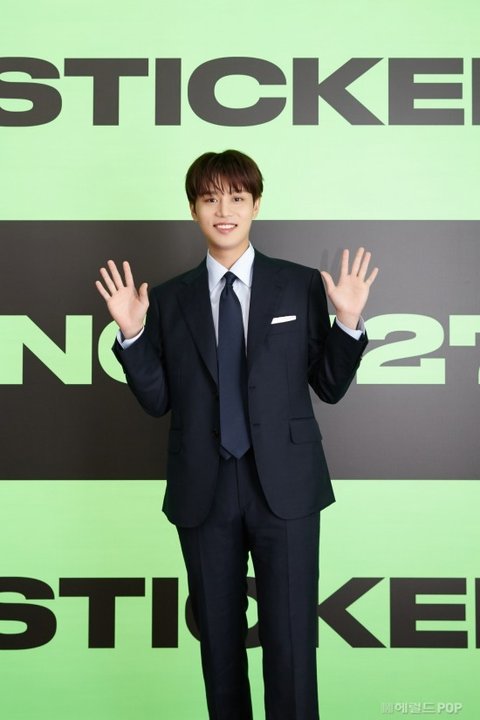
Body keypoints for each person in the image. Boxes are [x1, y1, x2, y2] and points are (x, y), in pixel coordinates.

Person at [95, 149, 378, 720]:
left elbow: (328, 387)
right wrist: (132, 334)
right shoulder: (167, 299)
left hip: (287, 489)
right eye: (210, 199)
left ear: (256, 205)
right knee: (219, 649)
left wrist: (347, 323)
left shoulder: (300, 285)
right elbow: (157, 400)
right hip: (205, 489)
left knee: (292, 644)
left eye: (237, 198)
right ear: (194, 209)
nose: (224, 210)